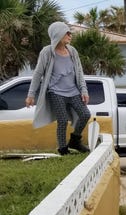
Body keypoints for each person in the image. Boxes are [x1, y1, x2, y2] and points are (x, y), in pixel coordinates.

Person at [25, 21, 90, 155]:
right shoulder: (47, 52)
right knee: (62, 120)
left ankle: (75, 140)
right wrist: (31, 95)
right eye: (67, 33)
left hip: (73, 91)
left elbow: (79, 72)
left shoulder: (72, 51)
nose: (70, 35)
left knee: (85, 114)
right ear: (58, 34)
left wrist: (84, 90)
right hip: (56, 92)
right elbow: (38, 73)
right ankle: (62, 149)